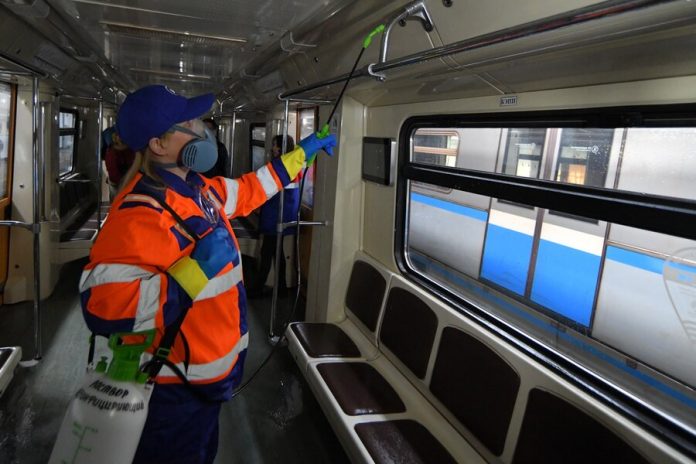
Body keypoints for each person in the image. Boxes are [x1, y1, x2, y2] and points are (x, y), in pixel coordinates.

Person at [78, 84, 336, 464]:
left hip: (206, 380)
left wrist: (302, 154)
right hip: (174, 388)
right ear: (159, 145)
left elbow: (250, 189)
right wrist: (192, 272)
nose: (202, 129)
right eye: (189, 122)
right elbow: (101, 308)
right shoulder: (139, 214)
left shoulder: (197, 188)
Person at [249, 135, 301, 297]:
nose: (272, 149)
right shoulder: (293, 165)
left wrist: (257, 206)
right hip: (283, 215)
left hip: (276, 216)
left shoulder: (280, 167)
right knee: (276, 253)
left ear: (281, 147)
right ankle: (282, 288)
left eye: (274, 145)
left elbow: (268, 191)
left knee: (267, 253)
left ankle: (258, 288)